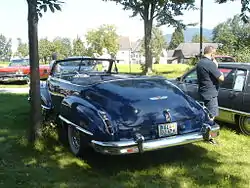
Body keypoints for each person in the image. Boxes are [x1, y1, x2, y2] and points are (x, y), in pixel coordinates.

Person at [196, 46, 224, 143]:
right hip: (211, 93)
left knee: (205, 115)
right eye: (214, 54)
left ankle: (202, 133)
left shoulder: (199, 63)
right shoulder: (210, 64)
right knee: (211, 116)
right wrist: (216, 66)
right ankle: (209, 138)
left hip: (202, 91)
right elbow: (221, 78)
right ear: (211, 53)